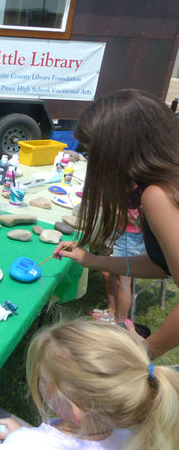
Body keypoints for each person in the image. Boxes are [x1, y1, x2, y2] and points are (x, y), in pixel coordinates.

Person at [53, 89, 179, 359]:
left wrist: (143, 350)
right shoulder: (164, 183)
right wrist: (92, 260)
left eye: (91, 152)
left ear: (115, 152)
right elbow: (163, 265)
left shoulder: (158, 195)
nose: (90, 161)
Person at [0, 319, 179, 450]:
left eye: (43, 379)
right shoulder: (140, 437)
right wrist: (21, 435)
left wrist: (17, 441)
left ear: (77, 410)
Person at [91, 207, 146, 325]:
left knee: (123, 281)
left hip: (131, 237)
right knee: (106, 272)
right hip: (121, 232)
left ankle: (119, 322)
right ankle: (112, 311)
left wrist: (117, 211)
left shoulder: (143, 192)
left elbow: (135, 218)